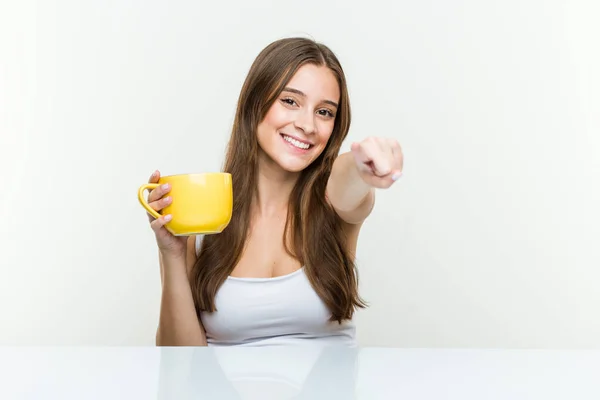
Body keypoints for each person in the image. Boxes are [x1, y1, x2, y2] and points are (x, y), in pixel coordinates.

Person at [144, 37, 403, 347]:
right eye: (290, 101)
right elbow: (180, 365)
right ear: (255, 103)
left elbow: (346, 179)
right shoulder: (202, 216)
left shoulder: (333, 201)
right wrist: (172, 254)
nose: (308, 125)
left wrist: (364, 166)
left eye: (325, 112)